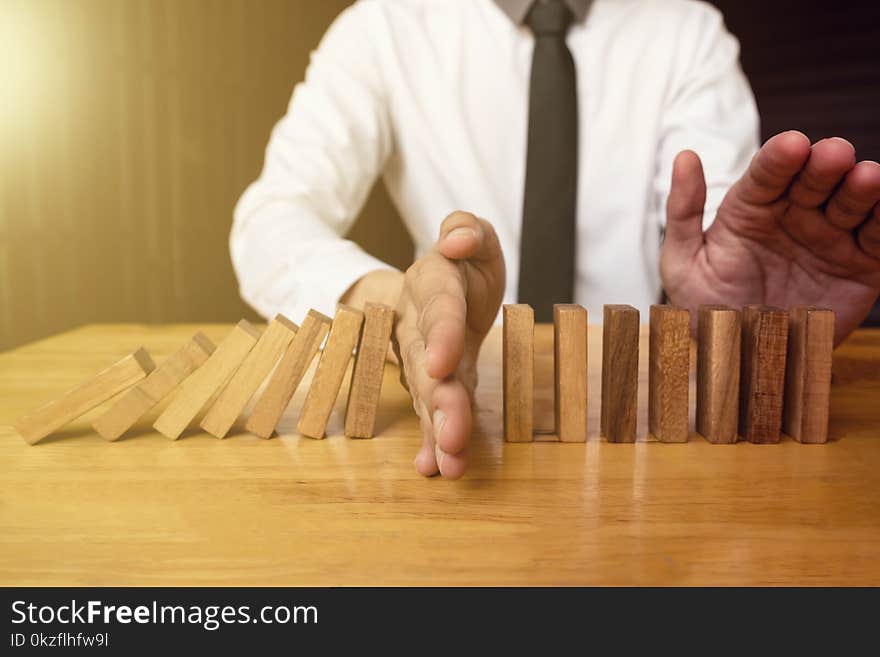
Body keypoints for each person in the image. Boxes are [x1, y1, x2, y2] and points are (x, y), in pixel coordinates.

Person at [231, 0, 880, 479]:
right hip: (462, 407)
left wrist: (746, 323)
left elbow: (719, 232)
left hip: (632, 438)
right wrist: (395, 301)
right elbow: (269, 217)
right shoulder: (383, 28)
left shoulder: (687, 33)